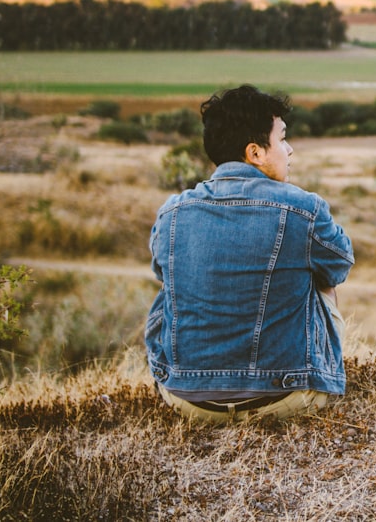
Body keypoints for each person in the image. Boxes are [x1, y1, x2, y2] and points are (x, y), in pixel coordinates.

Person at [144, 84, 354, 423]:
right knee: (322, 277)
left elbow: (160, 274)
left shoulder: (172, 211)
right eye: (282, 138)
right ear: (255, 152)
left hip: (187, 400)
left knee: (173, 279)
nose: (290, 150)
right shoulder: (304, 208)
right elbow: (339, 266)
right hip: (286, 398)